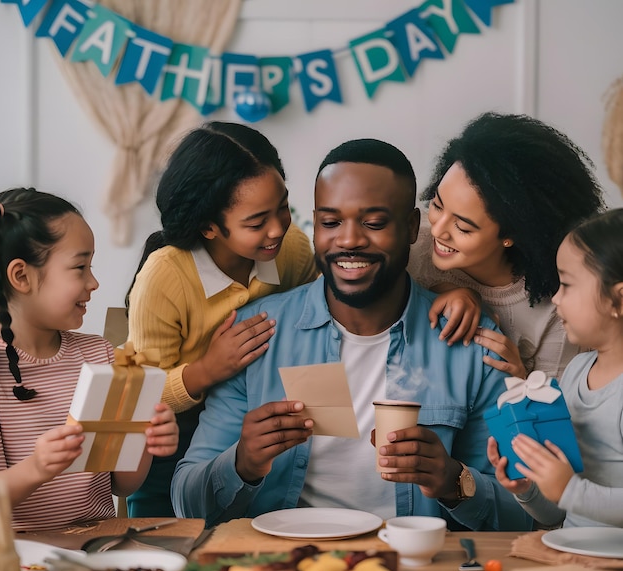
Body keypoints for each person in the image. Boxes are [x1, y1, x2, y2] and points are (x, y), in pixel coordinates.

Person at [171, 138, 534, 532]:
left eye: (374, 223)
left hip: (415, 568)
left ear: (412, 228)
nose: (348, 240)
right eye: (330, 223)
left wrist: (452, 481)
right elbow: (185, 502)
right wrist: (243, 462)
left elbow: (527, 513)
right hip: (286, 569)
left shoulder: (470, 344)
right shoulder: (256, 335)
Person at [125, 122, 318, 517]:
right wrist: (207, 370)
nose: (278, 227)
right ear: (208, 227)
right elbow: (140, 394)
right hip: (171, 439)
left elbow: (316, 313)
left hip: (256, 425)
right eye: (256, 221)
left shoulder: (292, 249)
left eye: (283, 206)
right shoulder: (164, 277)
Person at [0, 188, 178, 531]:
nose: (93, 282)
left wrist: (144, 438)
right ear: (21, 276)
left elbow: (122, 485)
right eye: (80, 267)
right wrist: (37, 467)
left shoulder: (99, 354)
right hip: (19, 561)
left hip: (99, 546)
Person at [407, 112, 604, 379]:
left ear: (511, 234)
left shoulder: (557, 309)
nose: (438, 230)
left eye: (463, 227)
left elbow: (559, 413)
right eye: (437, 205)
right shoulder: (410, 248)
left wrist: (521, 379)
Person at [488, 208, 623, 528]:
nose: (557, 298)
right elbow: (560, 513)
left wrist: (569, 490)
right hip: (573, 557)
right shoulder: (576, 371)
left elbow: (574, 494)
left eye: (567, 285)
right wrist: (530, 488)